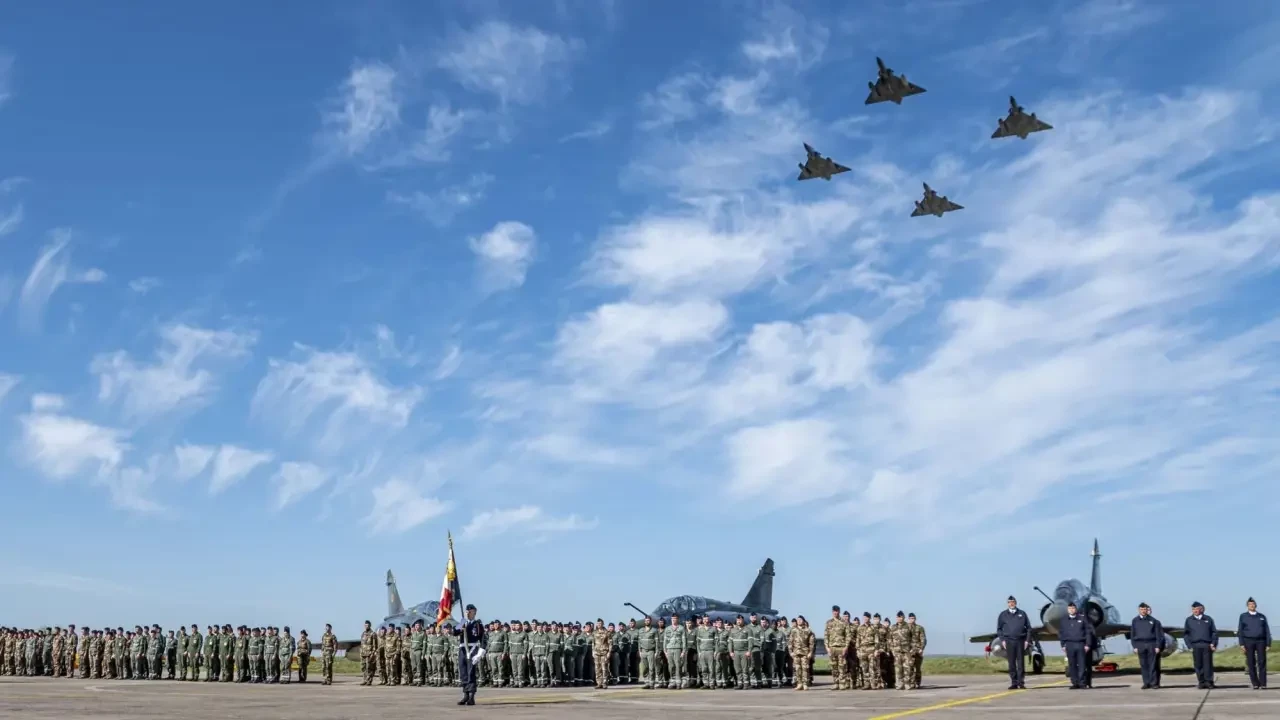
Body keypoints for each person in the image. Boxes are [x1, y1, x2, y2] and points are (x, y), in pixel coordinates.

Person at [996, 596, 1031, 690]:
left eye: (1013, 602)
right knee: (1011, 663)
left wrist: (1027, 640)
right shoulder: (1003, 615)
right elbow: (999, 629)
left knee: (1020, 663)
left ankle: (1021, 682)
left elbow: (1028, 628)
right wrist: (1002, 640)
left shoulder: (1022, 614)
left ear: (1016, 603)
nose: (1011, 603)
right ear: (1007, 604)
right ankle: (1014, 683)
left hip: (1020, 641)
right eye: (1009, 602)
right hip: (1009, 641)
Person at [1058, 602, 1095, 689]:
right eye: (1070, 608)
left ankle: (1082, 683)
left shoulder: (1082, 618)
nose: (1071, 610)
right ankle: (1075, 683)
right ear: (1067, 610)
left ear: (1076, 609)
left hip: (1080, 644)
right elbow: (1061, 633)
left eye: (1073, 608)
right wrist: (1063, 645)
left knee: (1082, 665)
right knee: (1072, 665)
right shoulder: (1064, 620)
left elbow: (1088, 632)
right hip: (1069, 644)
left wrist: (1088, 644)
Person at [455, 604, 486, 706]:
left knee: (470, 673)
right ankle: (465, 695)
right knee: (463, 672)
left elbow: (483, 640)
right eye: (467, 611)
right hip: (463, 650)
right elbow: (454, 632)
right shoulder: (462, 622)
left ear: (474, 612)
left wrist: (479, 654)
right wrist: (461, 628)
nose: (468, 613)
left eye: (470, 611)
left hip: (472, 650)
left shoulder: (478, 625)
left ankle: (471, 696)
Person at [1238, 597, 1271, 690]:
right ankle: (1255, 683)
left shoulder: (1262, 616)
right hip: (1248, 641)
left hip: (1261, 641)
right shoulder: (1243, 616)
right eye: (1250, 604)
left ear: (1255, 605)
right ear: (1247, 606)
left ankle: (1263, 683)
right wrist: (1241, 644)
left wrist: (1268, 643)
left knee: (1262, 662)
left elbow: (1267, 630)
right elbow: (1240, 630)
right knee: (1251, 662)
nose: (1252, 606)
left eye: (1253, 604)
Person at [1184, 602, 1218, 690]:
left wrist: (1213, 643)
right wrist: (1189, 646)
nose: (1195, 611)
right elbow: (1186, 634)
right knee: (1198, 665)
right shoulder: (1189, 620)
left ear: (1201, 609)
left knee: (1208, 665)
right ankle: (1201, 682)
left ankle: (1209, 682)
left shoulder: (1208, 619)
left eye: (1197, 609)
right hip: (1195, 645)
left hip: (1206, 645)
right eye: (1193, 609)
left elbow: (1214, 632)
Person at [1129, 603, 1163, 689]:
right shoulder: (1135, 621)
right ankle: (1146, 683)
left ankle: (1154, 683)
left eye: (1145, 609)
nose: (1143, 611)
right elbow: (1132, 634)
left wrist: (1158, 646)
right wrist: (1134, 646)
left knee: (1153, 664)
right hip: (1140, 645)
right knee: (1143, 665)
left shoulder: (1153, 621)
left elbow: (1158, 635)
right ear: (1139, 610)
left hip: (1151, 644)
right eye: (1141, 609)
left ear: (1147, 610)